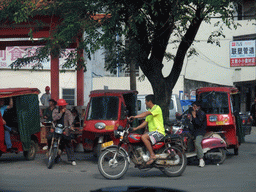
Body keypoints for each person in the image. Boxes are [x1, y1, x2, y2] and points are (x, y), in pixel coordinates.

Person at [128, 94, 165, 165]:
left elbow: (145, 114)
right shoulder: (150, 111)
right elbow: (145, 123)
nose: (145, 103)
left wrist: (134, 117)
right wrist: (135, 128)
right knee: (141, 137)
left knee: (144, 137)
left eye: (145, 101)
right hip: (153, 133)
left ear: (150, 101)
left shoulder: (156, 108)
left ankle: (152, 155)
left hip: (159, 132)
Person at [52, 99, 76, 166]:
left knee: (68, 144)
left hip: (65, 130)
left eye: (64, 106)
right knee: (55, 143)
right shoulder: (55, 111)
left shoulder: (68, 112)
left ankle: (72, 159)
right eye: (62, 106)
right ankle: (54, 157)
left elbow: (70, 119)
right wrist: (61, 113)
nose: (64, 107)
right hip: (57, 129)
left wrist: (71, 126)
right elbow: (54, 118)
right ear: (59, 106)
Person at [191, 101, 207, 168]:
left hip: (200, 132)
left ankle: (201, 159)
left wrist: (194, 117)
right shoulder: (194, 113)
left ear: (198, 107)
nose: (193, 108)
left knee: (197, 143)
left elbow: (198, 123)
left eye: (195, 106)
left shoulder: (201, 113)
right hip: (194, 131)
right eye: (193, 106)